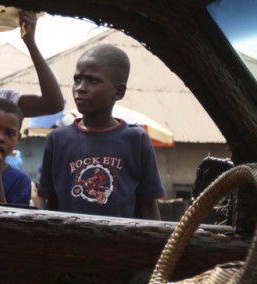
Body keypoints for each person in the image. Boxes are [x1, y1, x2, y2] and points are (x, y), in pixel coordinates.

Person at [38, 45, 164, 220]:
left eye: (93, 81)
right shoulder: (57, 140)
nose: (80, 88)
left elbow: (148, 205)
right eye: (77, 79)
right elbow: (50, 204)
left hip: (121, 244)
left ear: (118, 92)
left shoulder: (136, 140)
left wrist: (158, 247)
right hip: (69, 244)